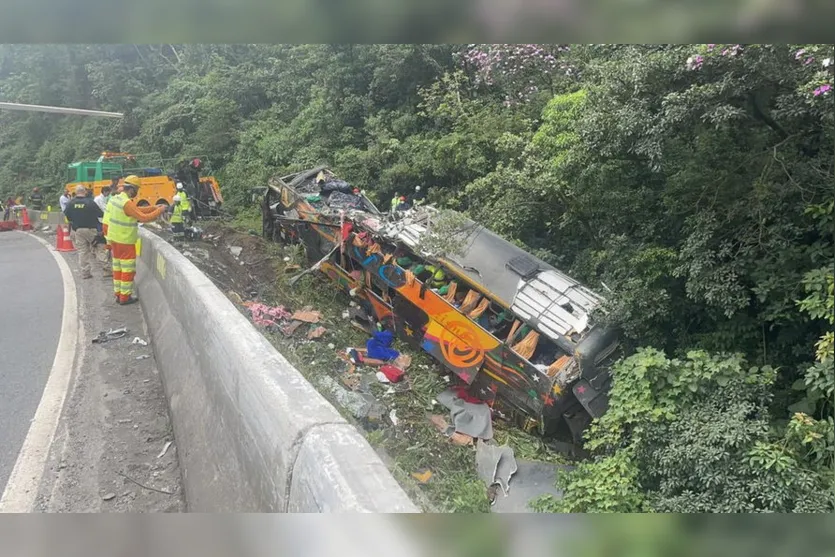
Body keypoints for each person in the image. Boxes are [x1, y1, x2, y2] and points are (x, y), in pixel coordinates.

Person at [106, 175, 165, 305]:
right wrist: (160, 210)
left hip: (114, 239)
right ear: (132, 189)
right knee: (128, 270)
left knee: (118, 269)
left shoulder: (116, 199)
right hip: (125, 241)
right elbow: (143, 218)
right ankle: (125, 297)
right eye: (137, 189)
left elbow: (136, 210)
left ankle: (118, 294)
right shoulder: (127, 203)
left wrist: (154, 207)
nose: (137, 192)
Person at [63, 185, 104, 279]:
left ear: (76, 192)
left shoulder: (71, 203)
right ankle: (107, 269)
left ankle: (85, 273)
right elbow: (100, 214)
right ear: (85, 192)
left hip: (78, 230)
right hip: (91, 229)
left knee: (82, 251)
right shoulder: (90, 202)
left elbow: (67, 216)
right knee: (99, 247)